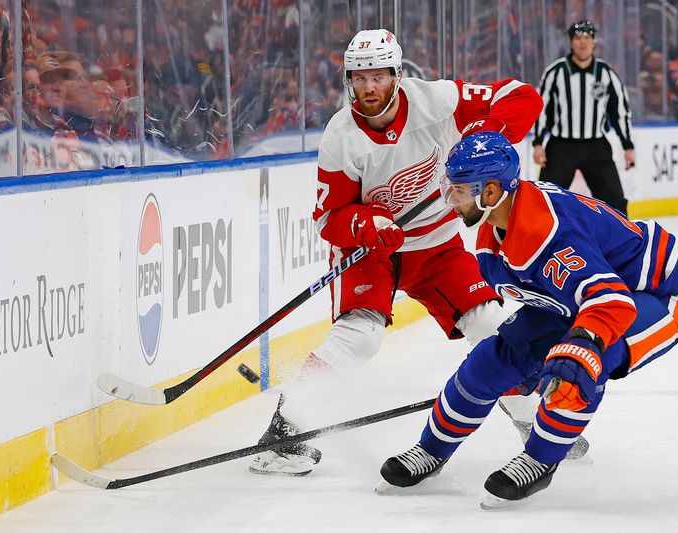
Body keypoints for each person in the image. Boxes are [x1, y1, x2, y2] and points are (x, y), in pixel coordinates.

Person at [249, 28, 584, 476]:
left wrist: (485, 136)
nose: (368, 88)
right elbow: (330, 218)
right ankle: (282, 434)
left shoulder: (436, 100)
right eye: (359, 77)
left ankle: (533, 424)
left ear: (398, 75)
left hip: (437, 243)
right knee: (360, 335)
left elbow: (521, 96)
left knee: (491, 325)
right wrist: (366, 224)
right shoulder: (341, 137)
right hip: (373, 252)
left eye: (379, 76)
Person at [379, 131, 678, 509]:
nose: (451, 199)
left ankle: (539, 460)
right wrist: (524, 362)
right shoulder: (494, 232)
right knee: (491, 361)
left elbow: (610, 301)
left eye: (459, 190)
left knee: (580, 368)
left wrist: (575, 351)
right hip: (580, 300)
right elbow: (551, 299)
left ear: (491, 191)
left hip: (652, 295)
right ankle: (430, 451)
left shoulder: (546, 234)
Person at [532, 20, 634, 215]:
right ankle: (540, 243)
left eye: (587, 38)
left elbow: (619, 111)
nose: (583, 43)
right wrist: (537, 143)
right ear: (571, 42)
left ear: (594, 42)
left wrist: (627, 146)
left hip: (596, 147)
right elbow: (541, 108)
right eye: (578, 38)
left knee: (615, 202)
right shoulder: (555, 72)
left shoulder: (606, 73)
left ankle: (620, 243)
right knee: (543, 200)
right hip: (561, 147)